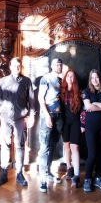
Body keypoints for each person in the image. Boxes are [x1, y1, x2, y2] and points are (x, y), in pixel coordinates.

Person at [0, 57, 35, 187]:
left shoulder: (26, 81)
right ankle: (3, 173)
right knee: (5, 145)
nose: (17, 67)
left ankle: (20, 174)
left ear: (21, 67)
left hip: (20, 119)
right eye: (14, 65)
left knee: (20, 145)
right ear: (10, 67)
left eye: (18, 65)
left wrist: (32, 116)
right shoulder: (3, 81)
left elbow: (32, 100)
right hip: (5, 118)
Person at [82, 69, 101, 192]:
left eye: (97, 77)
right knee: (92, 153)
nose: (95, 80)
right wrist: (100, 105)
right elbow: (88, 106)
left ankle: (98, 178)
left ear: (100, 78)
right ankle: (88, 179)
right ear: (90, 79)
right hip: (91, 126)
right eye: (92, 78)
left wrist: (95, 104)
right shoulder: (86, 92)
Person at [38, 57, 64, 192]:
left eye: (61, 65)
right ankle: (42, 179)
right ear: (52, 66)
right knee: (44, 147)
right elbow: (40, 98)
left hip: (59, 116)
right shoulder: (46, 78)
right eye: (57, 65)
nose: (59, 67)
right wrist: (47, 115)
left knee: (53, 144)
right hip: (48, 115)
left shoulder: (61, 80)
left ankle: (47, 172)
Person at [60, 69, 82, 188]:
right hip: (65, 122)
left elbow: (83, 110)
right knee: (66, 146)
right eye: (68, 76)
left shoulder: (79, 92)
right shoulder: (61, 91)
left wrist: (83, 124)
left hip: (75, 121)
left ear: (75, 79)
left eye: (72, 76)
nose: (70, 78)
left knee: (75, 147)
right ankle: (69, 168)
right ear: (65, 78)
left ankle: (77, 174)